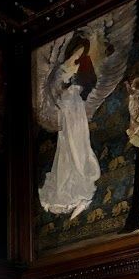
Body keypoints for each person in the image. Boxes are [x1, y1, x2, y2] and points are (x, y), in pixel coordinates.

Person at [38, 38, 100, 219]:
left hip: (75, 108)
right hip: (65, 110)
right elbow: (53, 89)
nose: (78, 54)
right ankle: (65, 191)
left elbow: (90, 83)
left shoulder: (84, 66)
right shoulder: (62, 68)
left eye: (82, 51)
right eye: (77, 51)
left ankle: (81, 190)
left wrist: (75, 88)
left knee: (78, 143)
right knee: (65, 147)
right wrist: (64, 90)